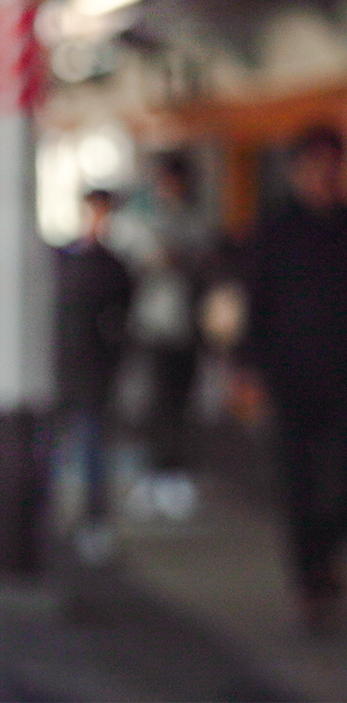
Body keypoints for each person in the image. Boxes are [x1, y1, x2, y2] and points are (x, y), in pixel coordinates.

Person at [245, 126, 347, 631]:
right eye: (316, 165)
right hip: (290, 377)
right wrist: (250, 370)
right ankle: (310, 578)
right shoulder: (276, 230)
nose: (326, 176)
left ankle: (326, 557)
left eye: (334, 165)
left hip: (342, 377)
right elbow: (255, 304)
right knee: (299, 483)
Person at [111, 153, 212, 521]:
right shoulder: (141, 222)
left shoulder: (193, 222)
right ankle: (153, 477)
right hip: (151, 327)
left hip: (185, 328)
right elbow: (126, 266)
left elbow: (205, 265)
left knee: (180, 404)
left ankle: (174, 476)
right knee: (154, 404)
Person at [52, 189, 134, 561]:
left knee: (92, 448)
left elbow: (124, 319)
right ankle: (57, 519)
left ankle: (93, 521)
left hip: (94, 369)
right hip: (64, 366)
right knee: (63, 448)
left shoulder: (114, 267)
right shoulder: (63, 259)